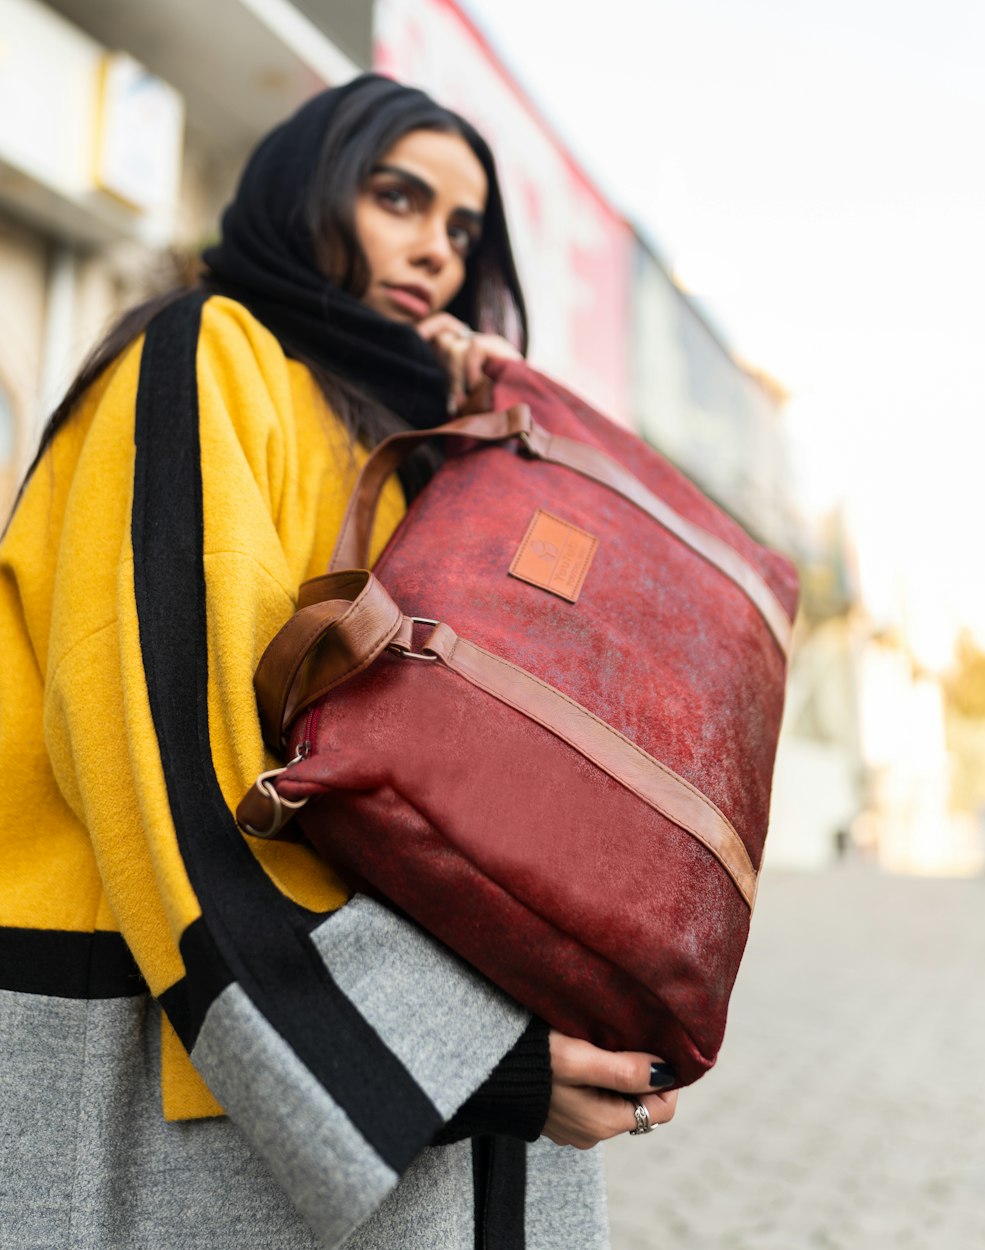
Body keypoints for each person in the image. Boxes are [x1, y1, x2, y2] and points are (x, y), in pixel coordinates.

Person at [0, 74, 678, 1249]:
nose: (435, 252)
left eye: (463, 232)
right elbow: (171, 751)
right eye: (398, 198)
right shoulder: (204, 351)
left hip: (366, 1040)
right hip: (183, 1031)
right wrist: (470, 1063)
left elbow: (513, 728)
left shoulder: (394, 436)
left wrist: (493, 443)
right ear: (306, 191)